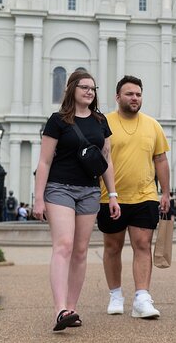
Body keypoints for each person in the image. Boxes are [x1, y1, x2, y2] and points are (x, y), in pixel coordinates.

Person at [33, 70, 120, 332]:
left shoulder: (100, 121)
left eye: (93, 88)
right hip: (59, 188)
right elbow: (44, 161)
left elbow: (106, 159)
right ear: (72, 89)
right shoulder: (57, 121)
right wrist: (38, 198)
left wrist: (112, 194)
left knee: (81, 251)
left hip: (89, 192)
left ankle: (71, 308)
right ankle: (60, 309)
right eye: (84, 87)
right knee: (64, 245)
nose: (89, 92)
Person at [99, 76, 170, 319]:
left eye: (138, 94)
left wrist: (166, 193)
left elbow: (160, 160)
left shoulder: (153, 125)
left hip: (145, 196)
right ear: (118, 97)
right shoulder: (103, 122)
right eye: (129, 94)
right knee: (112, 247)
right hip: (109, 197)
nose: (134, 98)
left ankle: (142, 298)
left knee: (142, 245)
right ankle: (116, 294)